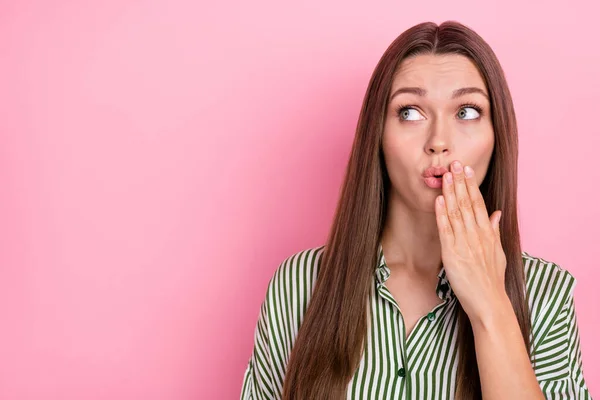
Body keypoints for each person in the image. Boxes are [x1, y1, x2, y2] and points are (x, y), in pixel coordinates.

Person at [239, 20, 592, 399]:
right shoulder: (299, 286)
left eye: (467, 111)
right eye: (409, 112)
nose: (439, 141)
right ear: (377, 134)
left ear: (497, 135)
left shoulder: (545, 295)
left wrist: (490, 306)